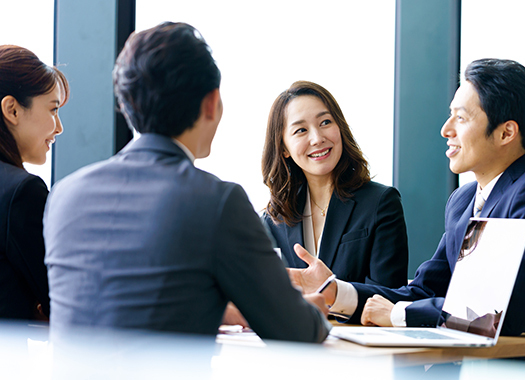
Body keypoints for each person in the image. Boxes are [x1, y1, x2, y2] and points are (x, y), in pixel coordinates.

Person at [43, 22, 330, 342]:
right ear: (212, 102)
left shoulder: (64, 196)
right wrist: (315, 312)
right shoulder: (217, 201)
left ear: (126, 105)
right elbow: (296, 331)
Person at [288, 59, 525, 338]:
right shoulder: (462, 200)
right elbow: (425, 290)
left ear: (506, 132)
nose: (446, 130)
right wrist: (335, 291)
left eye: (461, 118)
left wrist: (399, 315)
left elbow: (496, 315)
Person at [262, 81, 408, 289]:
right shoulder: (273, 220)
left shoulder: (381, 203)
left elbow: (388, 296)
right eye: (301, 130)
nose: (317, 138)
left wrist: (335, 292)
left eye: (325, 122)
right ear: (284, 148)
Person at [0, 45, 68, 320]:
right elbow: (61, 300)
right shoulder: (21, 192)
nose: (59, 127)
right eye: (53, 110)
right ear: (12, 110)